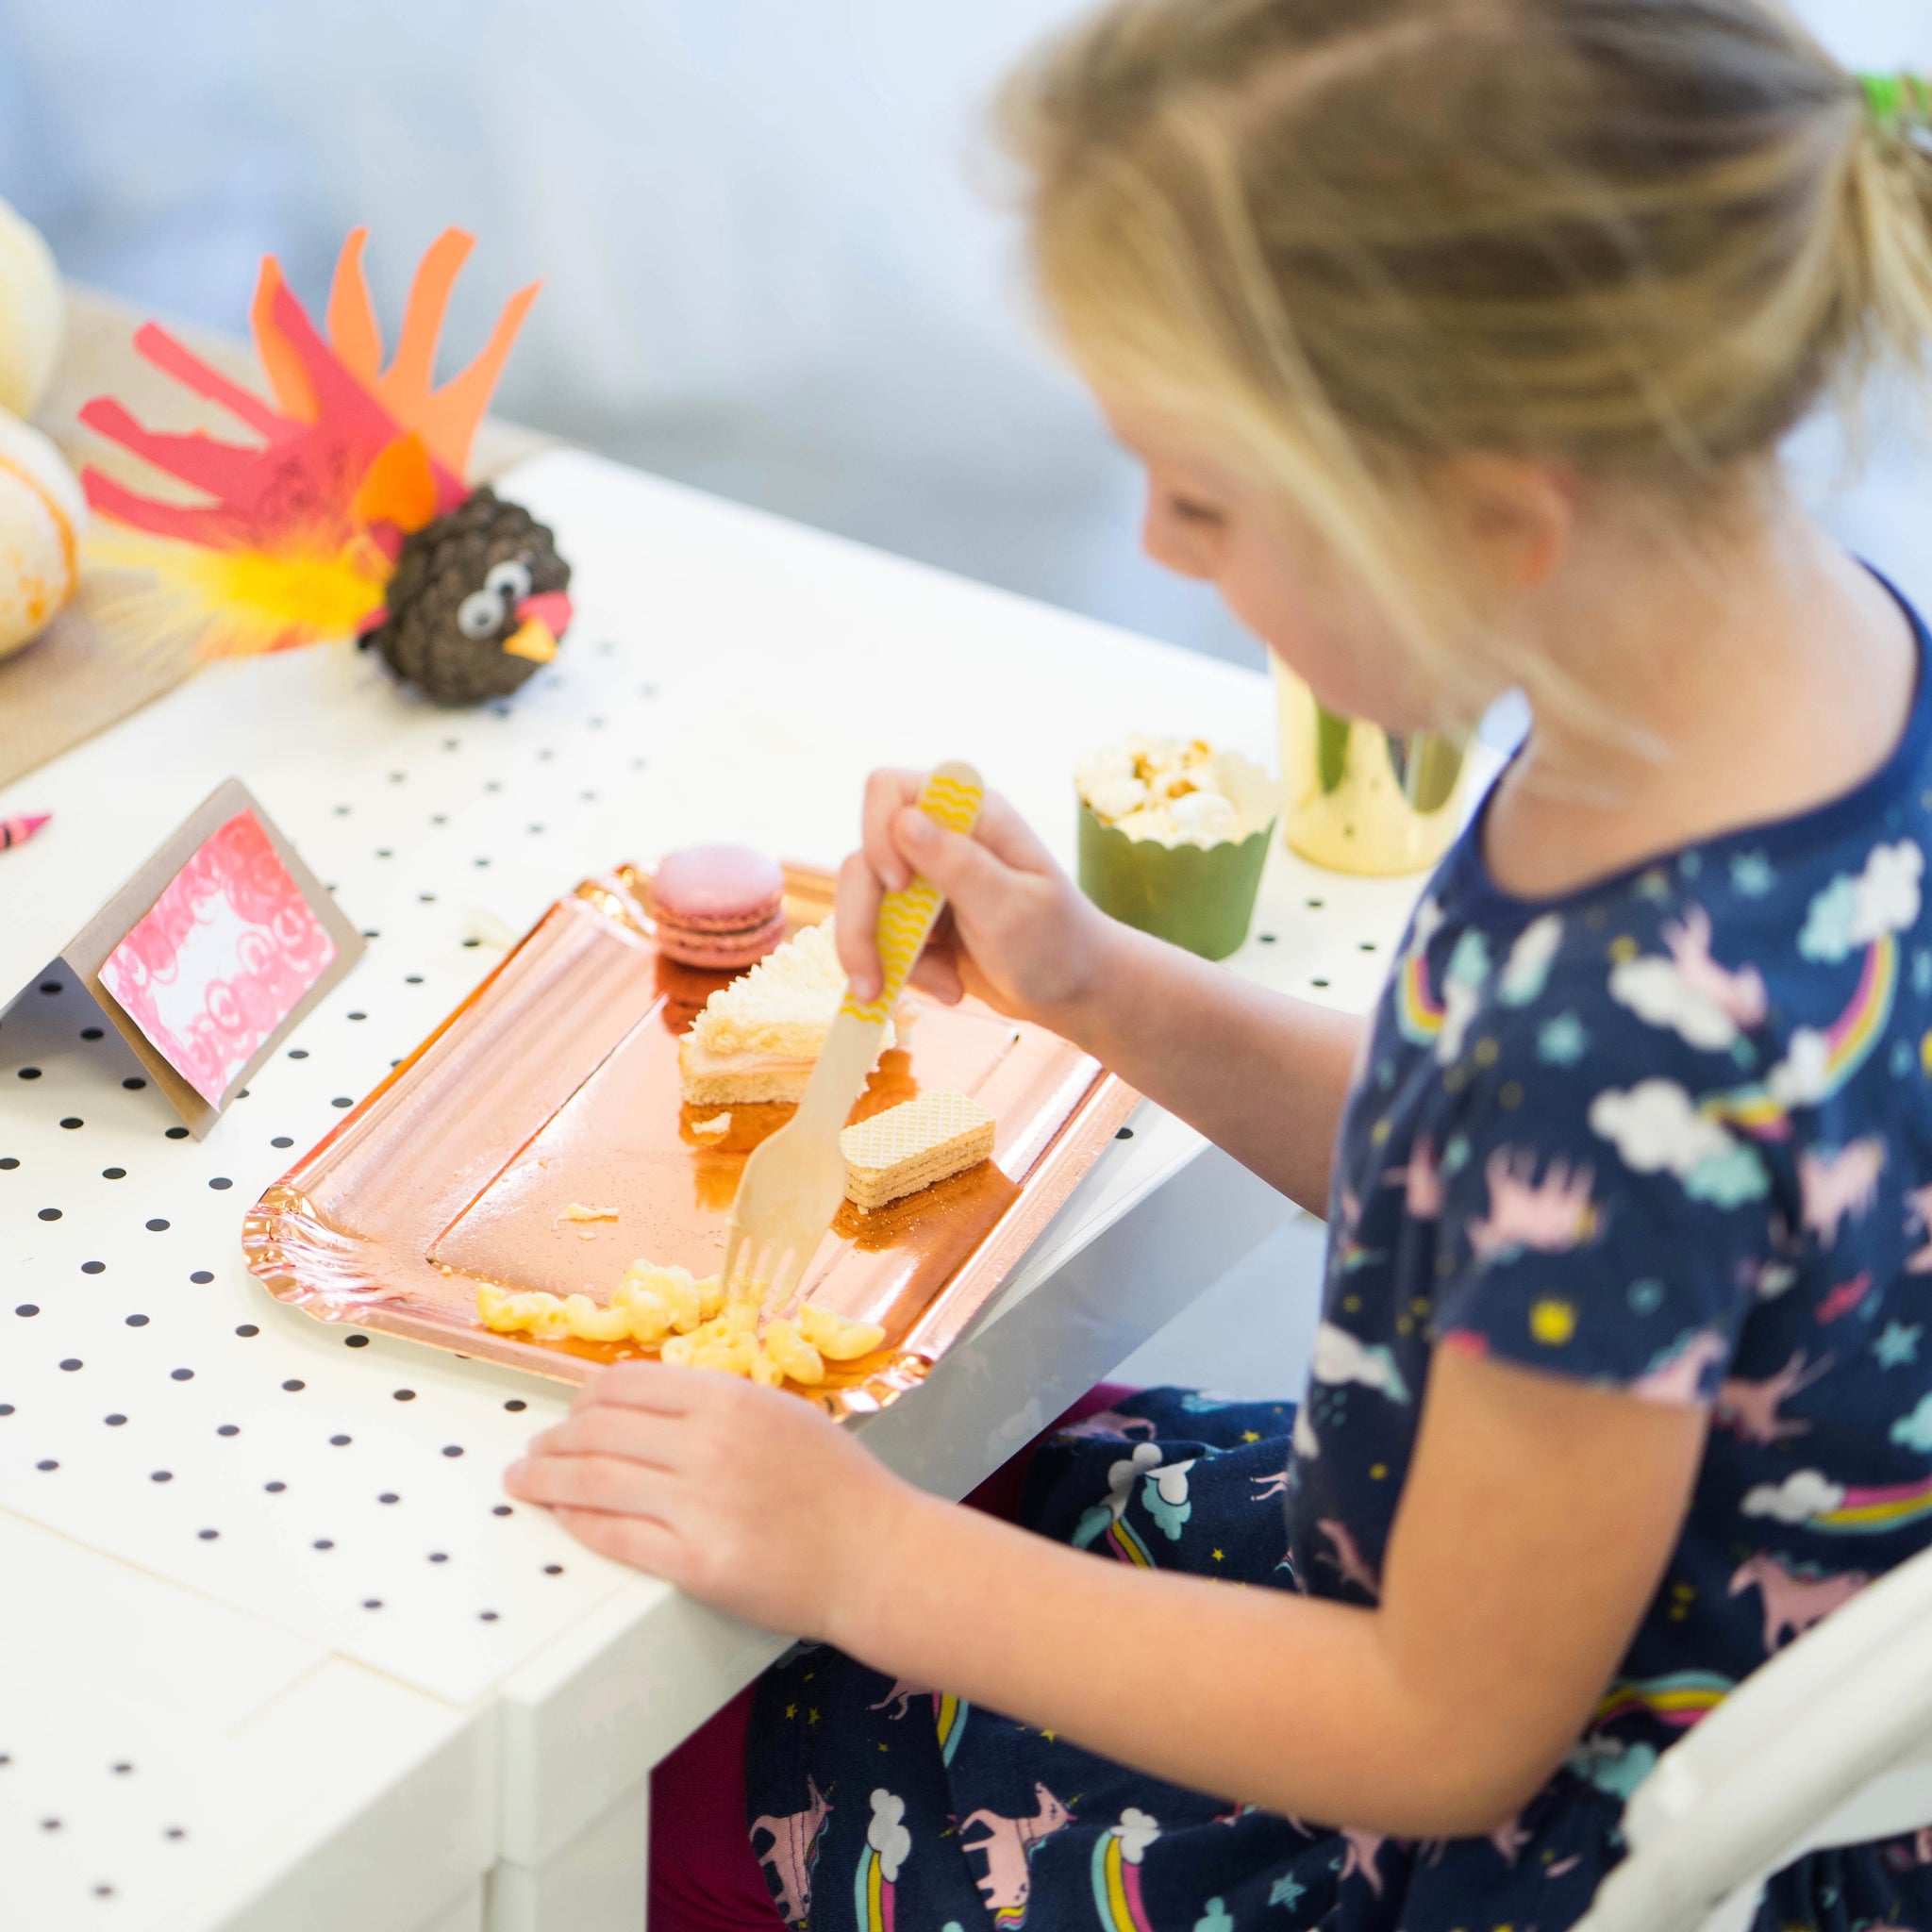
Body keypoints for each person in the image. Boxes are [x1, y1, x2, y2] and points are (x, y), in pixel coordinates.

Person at [505, 5, 1932, 1925]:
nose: (1164, 551)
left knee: (660, 1778)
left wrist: (860, 1561)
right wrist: (1092, 983)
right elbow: (1498, 1189)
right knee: (946, 1498)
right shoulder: (1790, 670)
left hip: (1500, 1824)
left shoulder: (1628, 1030)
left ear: (1498, 518)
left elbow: (1438, 1731)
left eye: (1205, 495)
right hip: (1518, 1607)